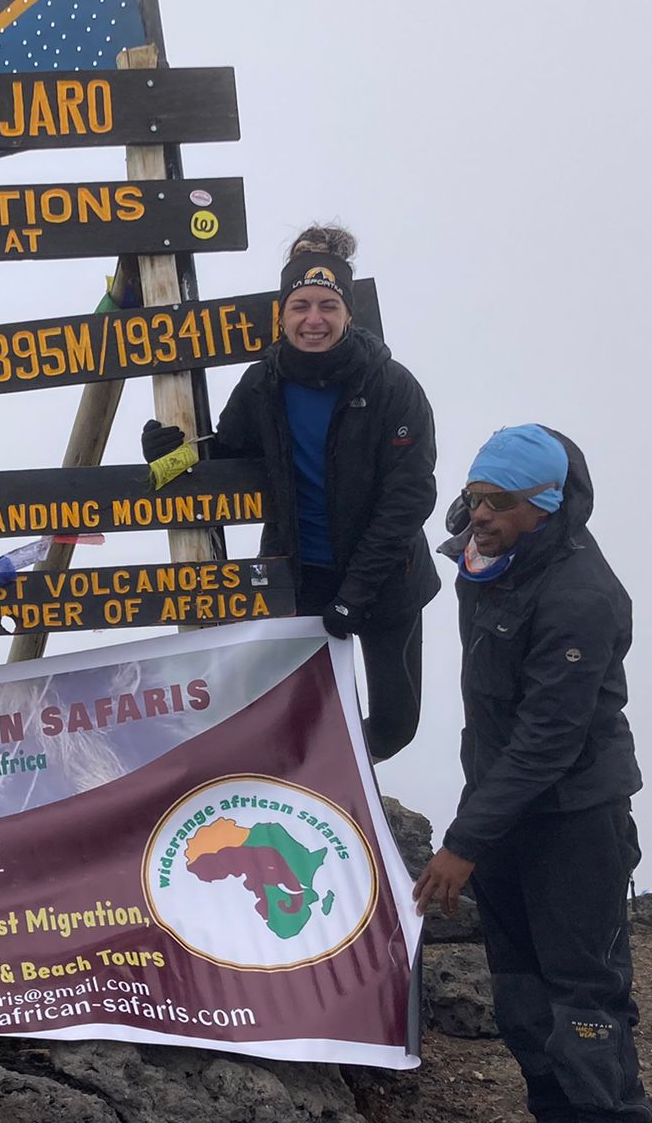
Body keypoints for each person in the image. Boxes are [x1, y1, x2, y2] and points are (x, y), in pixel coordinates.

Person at [411, 425, 651, 1123]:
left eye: (500, 502)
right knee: (518, 996)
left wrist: (462, 841)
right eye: (475, 496)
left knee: (583, 991)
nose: (480, 514)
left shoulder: (581, 597)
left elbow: (549, 741)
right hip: (500, 806)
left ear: (546, 506)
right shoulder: (483, 557)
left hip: (575, 819)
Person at [142, 224, 439, 760]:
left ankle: (360, 793)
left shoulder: (393, 387)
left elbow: (410, 499)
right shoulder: (263, 383)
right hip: (297, 579)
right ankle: (330, 808)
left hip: (386, 580)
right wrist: (167, 453)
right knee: (306, 716)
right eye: (300, 305)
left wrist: (356, 594)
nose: (314, 320)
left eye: (328, 305)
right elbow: (227, 458)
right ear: (282, 313)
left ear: (348, 312)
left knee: (395, 726)